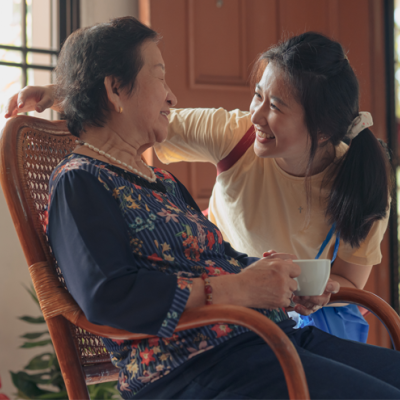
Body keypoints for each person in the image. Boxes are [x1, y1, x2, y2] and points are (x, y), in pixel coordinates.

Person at [9, 16, 400, 399]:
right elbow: (108, 297)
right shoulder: (82, 180)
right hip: (196, 363)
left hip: (267, 337)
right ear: (115, 90)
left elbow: (220, 259)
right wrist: (241, 287)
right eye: (160, 76)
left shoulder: (159, 181)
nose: (172, 96)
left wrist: (276, 277)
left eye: (277, 105)